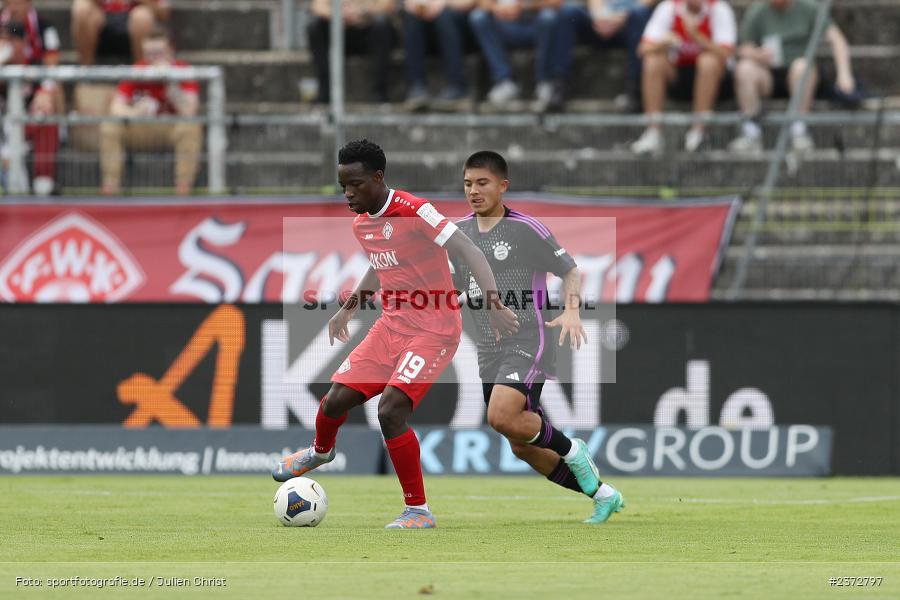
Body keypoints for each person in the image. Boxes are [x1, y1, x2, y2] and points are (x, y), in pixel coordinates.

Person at [272, 140, 519, 529]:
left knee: (390, 411)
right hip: (391, 325)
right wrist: (349, 308)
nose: (348, 194)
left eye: (355, 184)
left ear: (378, 177)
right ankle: (320, 452)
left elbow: (469, 250)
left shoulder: (415, 210)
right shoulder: (362, 224)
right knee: (335, 401)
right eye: (343, 186)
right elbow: (380, 264)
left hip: (434, 329)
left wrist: (494, 304)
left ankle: (418, 511)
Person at [453, 150, 624, 524]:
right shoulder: (459, 233)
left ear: (502, 186)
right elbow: (456, 288)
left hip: (528, 337)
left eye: (482, 183)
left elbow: (570, 270)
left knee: (500, 416)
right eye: (467, 184)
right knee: (521, 445)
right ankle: (603, 494)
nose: (473, 191)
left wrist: (572, 310)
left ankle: (573, 449)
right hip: (488, 347)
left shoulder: (525, 229)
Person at [728, 0, 858, 154]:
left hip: (801, 75)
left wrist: (844, 74)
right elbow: (743, 47)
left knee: (801, 67)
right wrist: (756, 54)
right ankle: (751, 132)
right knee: (744, 69)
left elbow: (837, 39)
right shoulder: (757, 10)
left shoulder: (809, 7)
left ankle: (799, 130)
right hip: (768, 75)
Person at [99, 26, 201, 196]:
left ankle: (183, 187)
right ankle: (111, 186)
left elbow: (190, 111)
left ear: (171, 50)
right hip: (141, 128)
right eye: (149, 54)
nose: (153, 59)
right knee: (110, 126)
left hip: (170, 129)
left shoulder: (183, 70)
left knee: (191, 127)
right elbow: (115, 107)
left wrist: (171, 85)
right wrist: (135, 112)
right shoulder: (138, 69)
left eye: (158, 53)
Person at [630, 0, 736, 155]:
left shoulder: (719, 9)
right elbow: (643, 49)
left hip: (716, 81)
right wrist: (662, 44)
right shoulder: (668, 8)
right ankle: (653, 132)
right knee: (652, 61)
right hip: (678, 77)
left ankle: (699, 132)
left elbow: (728, 54)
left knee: (708, 61)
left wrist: (697, 37)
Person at [0, 0, 63, 196]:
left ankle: (43, 181)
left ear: (23, 43)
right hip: (4, 129)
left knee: (45, 112)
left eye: (11, 40)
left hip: (25, 124)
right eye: (3, 40)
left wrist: (45, 91)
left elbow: (51, 71)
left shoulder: (35, 66)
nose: (6, 45)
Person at [551, 0, 658, 113]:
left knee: (639, 13)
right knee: (569, 11)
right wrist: (598, 17)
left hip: (628, 24)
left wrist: (621, 18)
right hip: (600, 22)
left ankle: (635, 89)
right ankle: (560, 84)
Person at [468, 0, 564, 108]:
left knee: (548, 16)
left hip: (535, 25)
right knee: (478, 17)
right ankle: (504, 81)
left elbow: (555, 3)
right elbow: (482, 3)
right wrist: (497, 8)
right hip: (504, 25)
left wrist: (524, 6)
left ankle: (544, 81)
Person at [307, 0, 397, 104]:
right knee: (314, 25)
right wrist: (338, 15)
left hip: (369, 30)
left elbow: (387, 5)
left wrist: (361, 12)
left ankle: (380, 93)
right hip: (340, 31)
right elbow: (317, 6)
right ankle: (325, 91)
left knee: (381, 23)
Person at [403, 0, 474, 110]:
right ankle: (417, 87)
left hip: (460, 25)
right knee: (412, 18)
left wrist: (444, 4)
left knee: (445, 17)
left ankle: (457, 86)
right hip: (428, 24)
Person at [71, 0, 170, 64]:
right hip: (101, 21)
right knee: (82, 7)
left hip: (135, 24)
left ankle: (141, 73)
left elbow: (163, 12)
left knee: (142, 17)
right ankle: (87, 73)